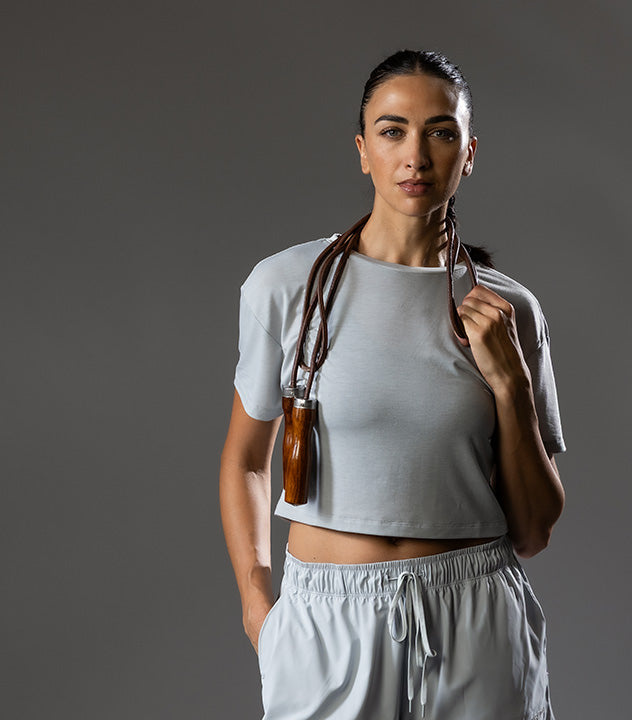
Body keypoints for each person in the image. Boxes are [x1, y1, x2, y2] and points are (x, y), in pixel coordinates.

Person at [220, 49, 567, 720]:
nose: (416, 155)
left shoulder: (507, 310)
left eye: (440, 131)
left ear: (469, 153)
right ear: (362, 150)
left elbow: (533, 531)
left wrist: (512, 384)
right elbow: (246, 460)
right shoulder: (287, 288)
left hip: (476, 616)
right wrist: (258, 604)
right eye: (392, 130)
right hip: (328, 621)